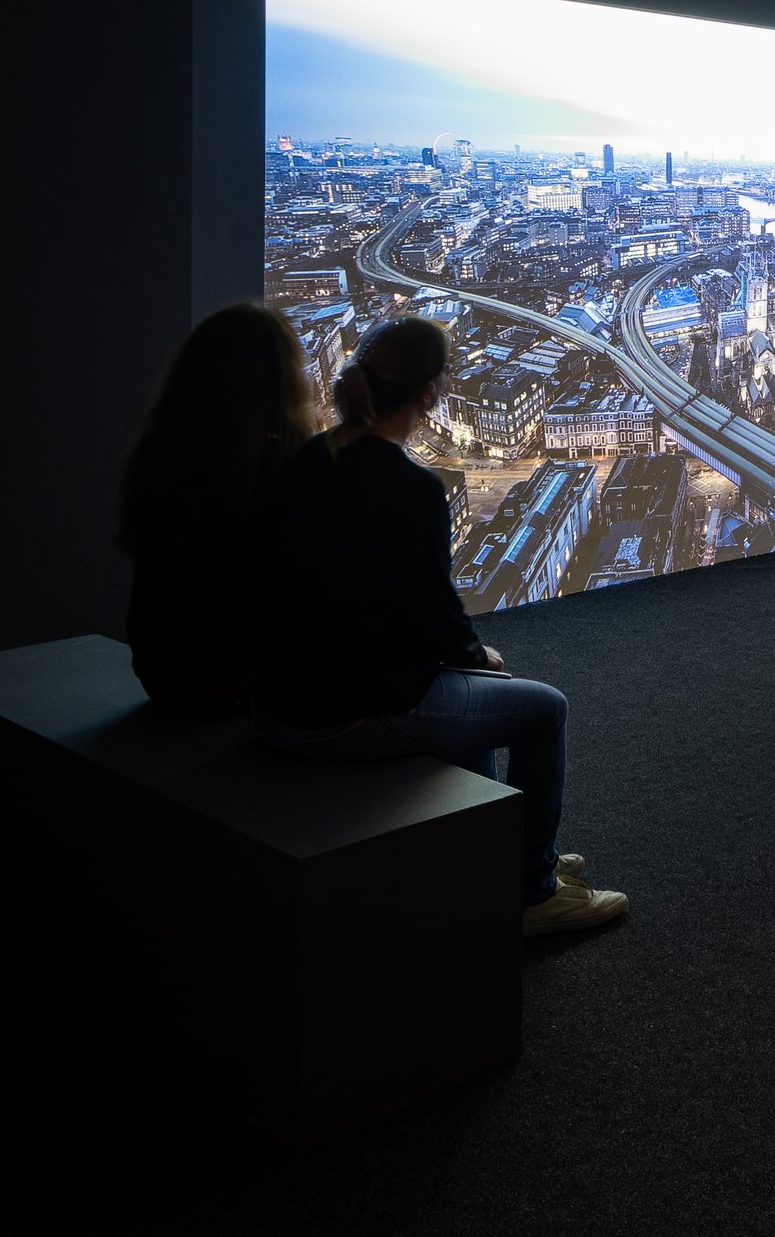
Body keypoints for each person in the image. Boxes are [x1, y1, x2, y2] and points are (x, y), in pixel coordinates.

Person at [256, 316, 627, 937]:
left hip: (280, 701)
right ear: (429, 395)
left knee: (475, 690)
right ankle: (533, 891)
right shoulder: (410, 488)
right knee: (545, 710)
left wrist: (461, 654)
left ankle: (495, 852)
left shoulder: (308, 462)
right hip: (349, 712)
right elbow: (436, 618)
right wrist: (478, 655)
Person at [116, 302, 315, 710]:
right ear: (284, 382)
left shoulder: (161, 457)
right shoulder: (285, 467)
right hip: (250, 686)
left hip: (165, 677)